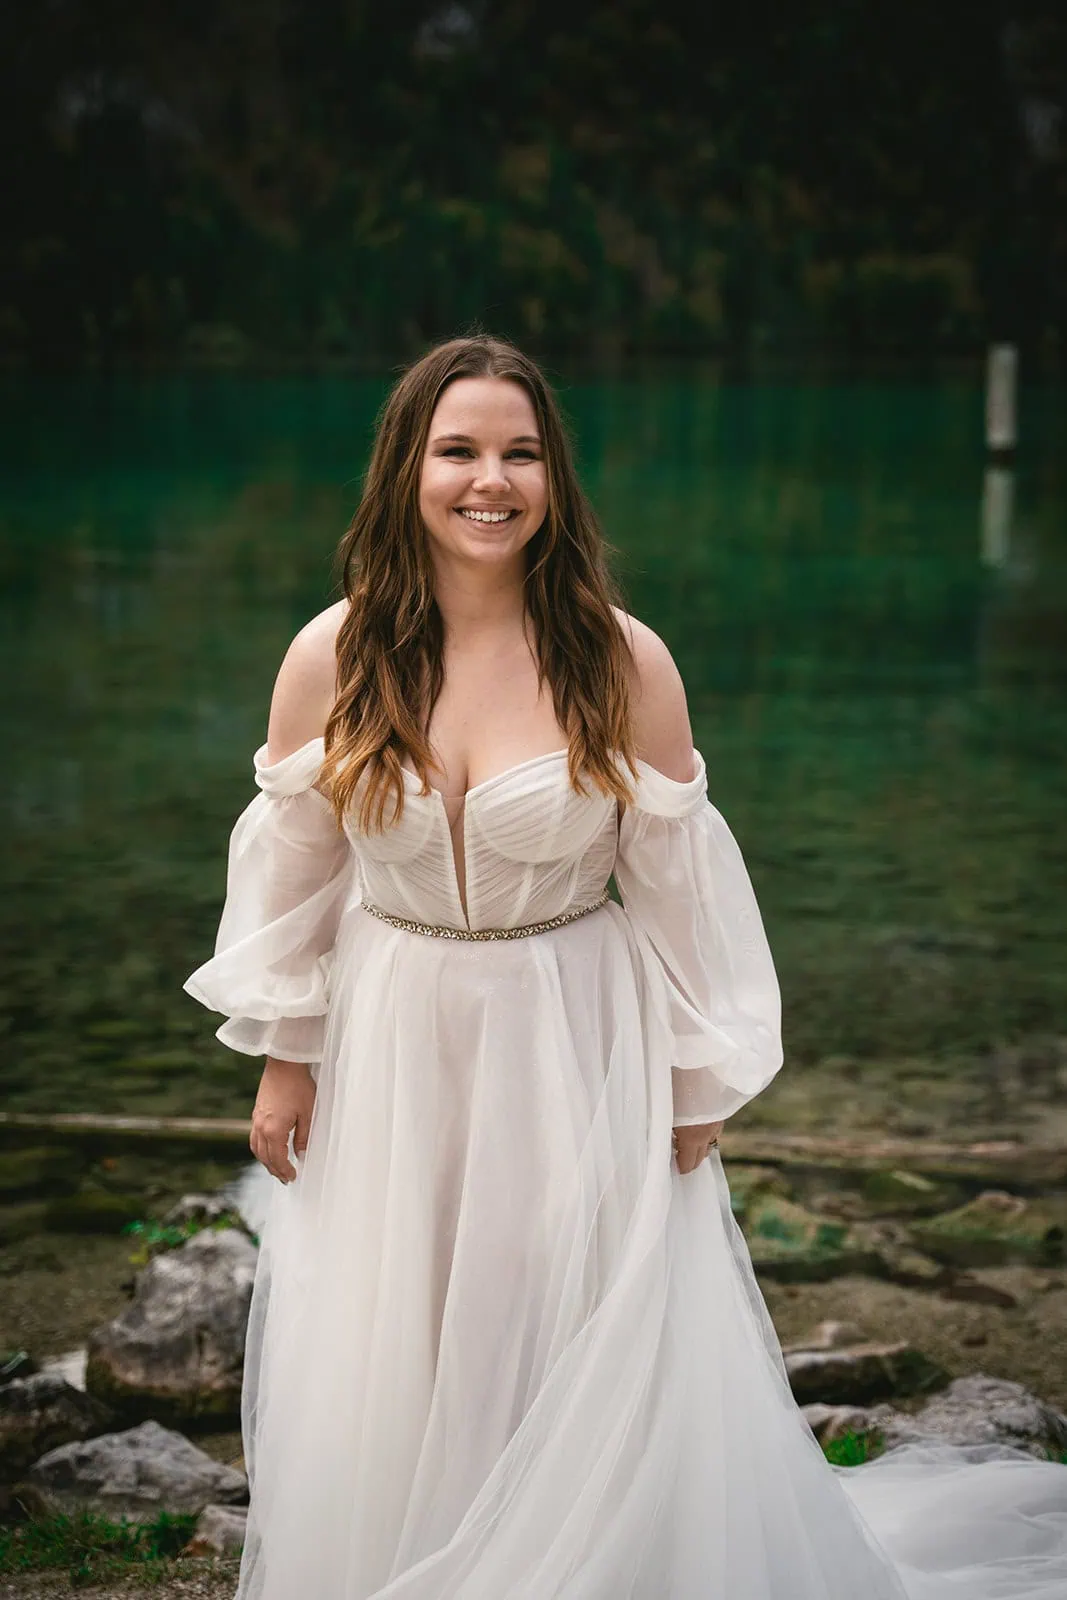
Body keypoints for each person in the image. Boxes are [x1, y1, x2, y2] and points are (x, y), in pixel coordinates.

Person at [186, 335, 1067, 1599]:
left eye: (520, 453)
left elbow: (681, 888)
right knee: (399, 1332)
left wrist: (697, 1076)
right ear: (405, 471)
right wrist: (286, 1054)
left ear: (554, 478)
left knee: (557, 1322)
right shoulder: (332, 653)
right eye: (459, 451)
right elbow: (293, 869)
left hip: (570, 1024)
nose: (491, 480)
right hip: (395, 1022)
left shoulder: (618, 657)